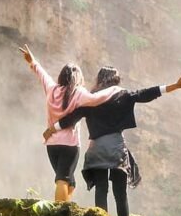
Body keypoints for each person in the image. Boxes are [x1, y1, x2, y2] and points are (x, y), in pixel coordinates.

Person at [43, 66, 181, 216]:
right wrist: (174, 86)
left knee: (101, 189)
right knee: (120, 192)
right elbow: (146, 94)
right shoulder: (123, 95)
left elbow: (70, 119)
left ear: (99, 79)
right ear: (116, 80)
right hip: (116, 148)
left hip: (96, 149)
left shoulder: (90, 100)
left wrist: (51, 129)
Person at [20, 44, 119, 202]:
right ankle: (58, 212)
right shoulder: (78, 93)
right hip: (69, 145)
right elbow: (96, 99)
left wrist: (32, 61)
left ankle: (66, 208)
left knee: (70, 181)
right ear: (77, 78)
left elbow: (42, 75)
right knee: (62, 178)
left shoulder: (52, 90)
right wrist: (114, 89)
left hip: (52, 145)